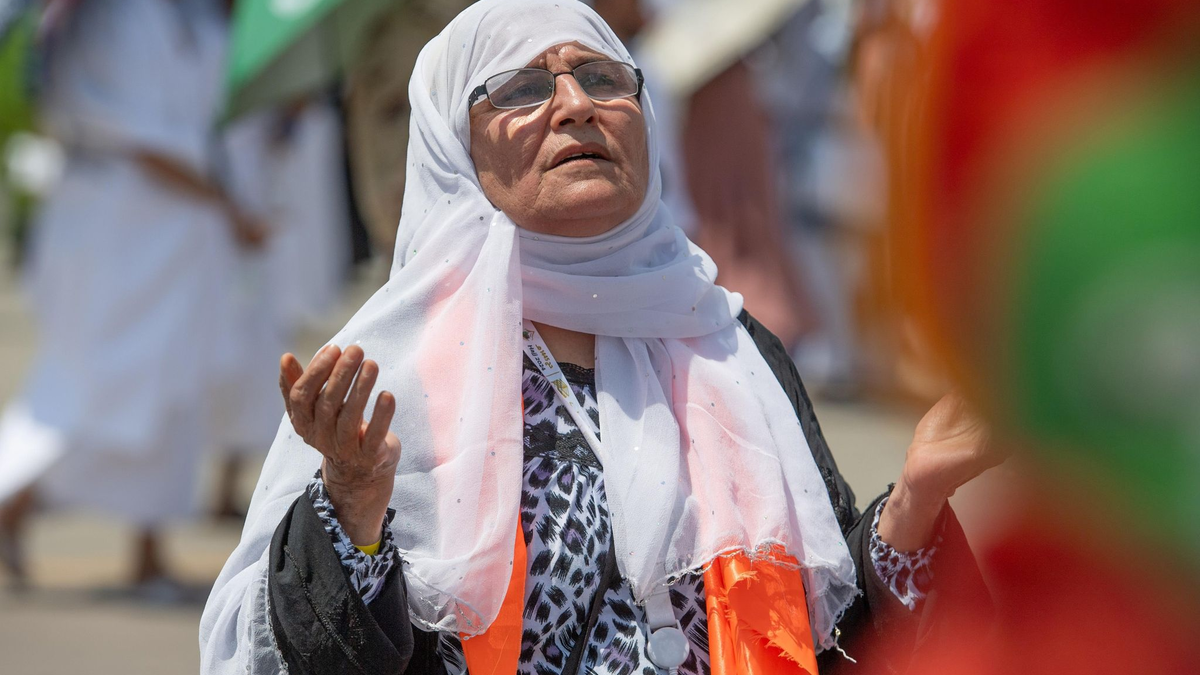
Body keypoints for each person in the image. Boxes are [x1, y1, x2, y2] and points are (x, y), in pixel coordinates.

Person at [200, 1, 1000, 673]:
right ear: (454, 147)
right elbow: (272, 650)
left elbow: (830, 632)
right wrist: (351, 507)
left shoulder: (728, 345)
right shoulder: (393, 375)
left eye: (602, 77)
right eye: (519, 88)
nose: (574, 104)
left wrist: (917, 498)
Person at [0, 0, 258, 591]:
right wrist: (227, 205)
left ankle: (147, 549)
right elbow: (142, 137)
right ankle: (13, 501)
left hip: (177, 230)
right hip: (118, 227)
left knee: (172, 389)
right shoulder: (114, 17)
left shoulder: (189, 18)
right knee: (100, 385)